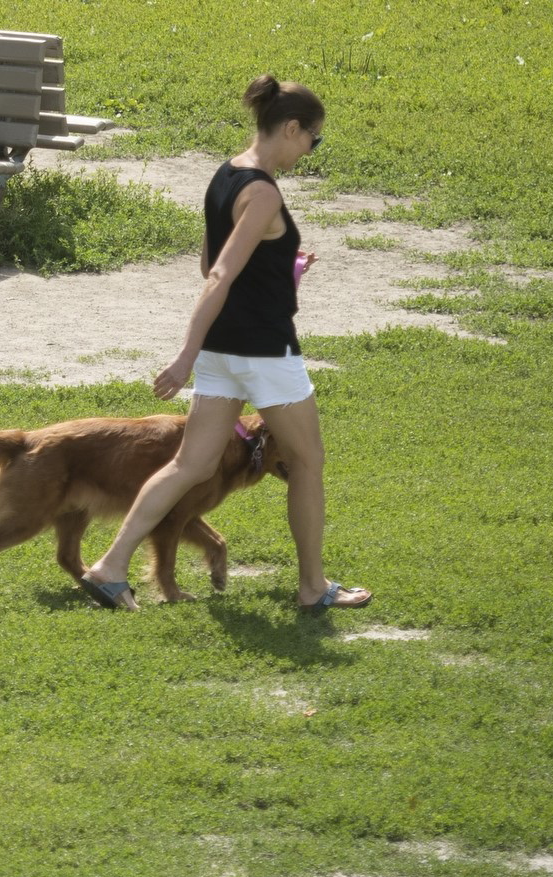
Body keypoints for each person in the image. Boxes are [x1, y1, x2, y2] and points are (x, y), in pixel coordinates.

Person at [76, 74, 370, 614]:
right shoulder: (263, 192)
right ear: (292, 127)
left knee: (189, 465)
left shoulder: (225, 175)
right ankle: (313, 588)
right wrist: (183, 356)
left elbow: (210, 263)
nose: (311, 150)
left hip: (223, 350)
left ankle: (109, 568)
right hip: (264, 353)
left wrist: (281, 272)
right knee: (307, 463)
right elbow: (219, 275)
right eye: (314, 138)